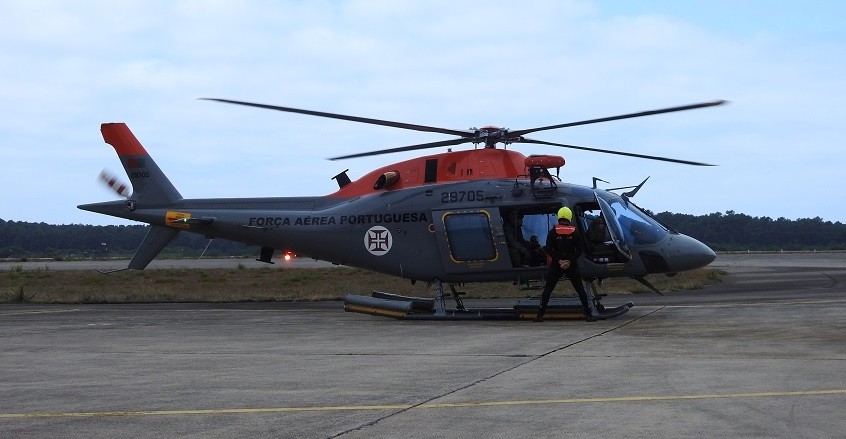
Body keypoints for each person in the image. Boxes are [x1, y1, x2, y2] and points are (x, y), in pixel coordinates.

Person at [535, 206, 595, 322]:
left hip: (556, 265)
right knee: (580, 290)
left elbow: (548, 249)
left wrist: (559, 261)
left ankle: (540, 315)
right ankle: (588, 315)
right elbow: (579, 250)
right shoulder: (575, 232)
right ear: (569, 217)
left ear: (559, 217)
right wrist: (569, 261)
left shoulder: (552, 232)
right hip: (571, 265)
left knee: (548, 290)